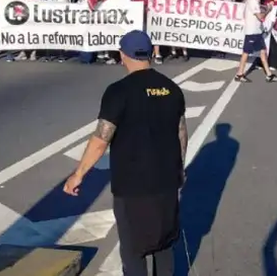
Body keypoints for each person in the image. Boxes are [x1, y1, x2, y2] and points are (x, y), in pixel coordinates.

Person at [63, 31, 186, 276]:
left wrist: (78, 175)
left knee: (133, 249)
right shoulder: (172, 89)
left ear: (122, 55)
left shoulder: (119, 90)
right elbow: (181, 133)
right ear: (151, 53)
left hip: (133, 186)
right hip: (167, 182)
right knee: (164, 244)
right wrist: (179, 169)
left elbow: (101, 139)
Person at [234, 0, 277, 83]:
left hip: (257, 31)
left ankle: (269, 75)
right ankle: (239, 74)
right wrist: (269, 9)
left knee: (263, 52)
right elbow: (260, 17)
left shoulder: (254, 1)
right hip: (252, 32)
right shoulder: (253, 2)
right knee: (246, 53)